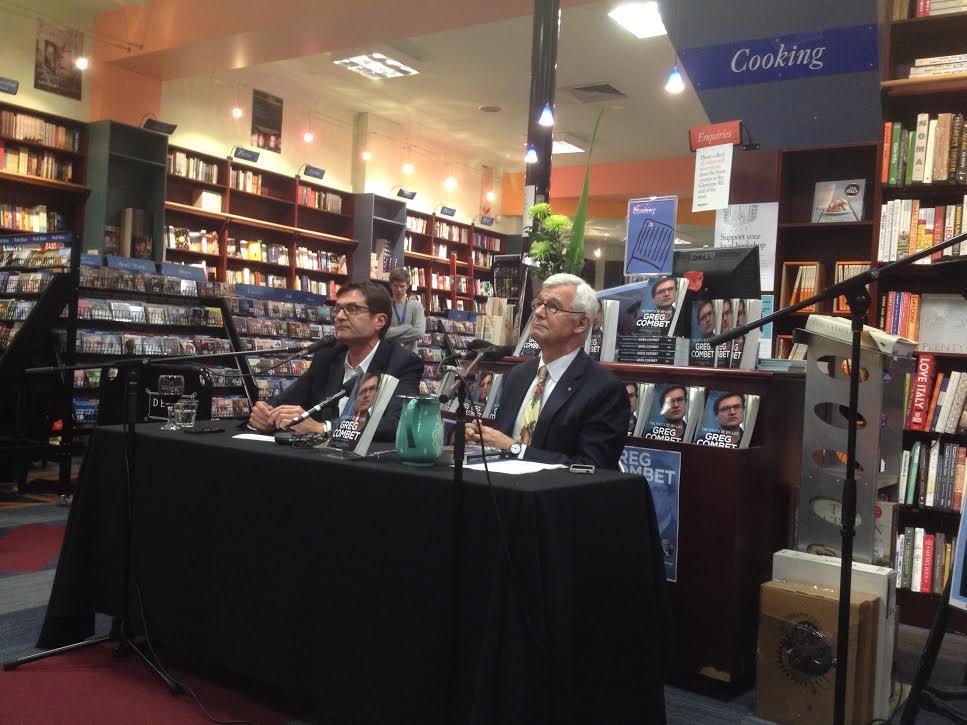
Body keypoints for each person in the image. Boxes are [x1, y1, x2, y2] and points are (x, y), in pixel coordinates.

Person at [465, 273, 629, 470]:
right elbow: (502, 440)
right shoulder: (517, 375)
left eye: (553, 307)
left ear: (581, 323)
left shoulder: (604, 390)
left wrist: (515, 449)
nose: (538, 312)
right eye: (538, 304)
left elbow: (592, 468)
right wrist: (482, 440)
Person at [248, 282, 423, 439]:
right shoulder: (328, 356)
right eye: (338, 309)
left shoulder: (402, 362)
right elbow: (284, 401)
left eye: (352, 309)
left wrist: (325, 428)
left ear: (380, 320)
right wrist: (265, 414)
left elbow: (400, 422)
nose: (340, 316)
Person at [384, 267, 426, 352]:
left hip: (410, 356)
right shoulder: (385, 306)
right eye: (395, 286)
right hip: (388, 355)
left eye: (402, 286)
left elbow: (419, 332)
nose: (399, 289)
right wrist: (407, 327)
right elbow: (382, 334)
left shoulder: (416, 306)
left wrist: (391, 335)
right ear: (390, 285)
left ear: (407, 286)